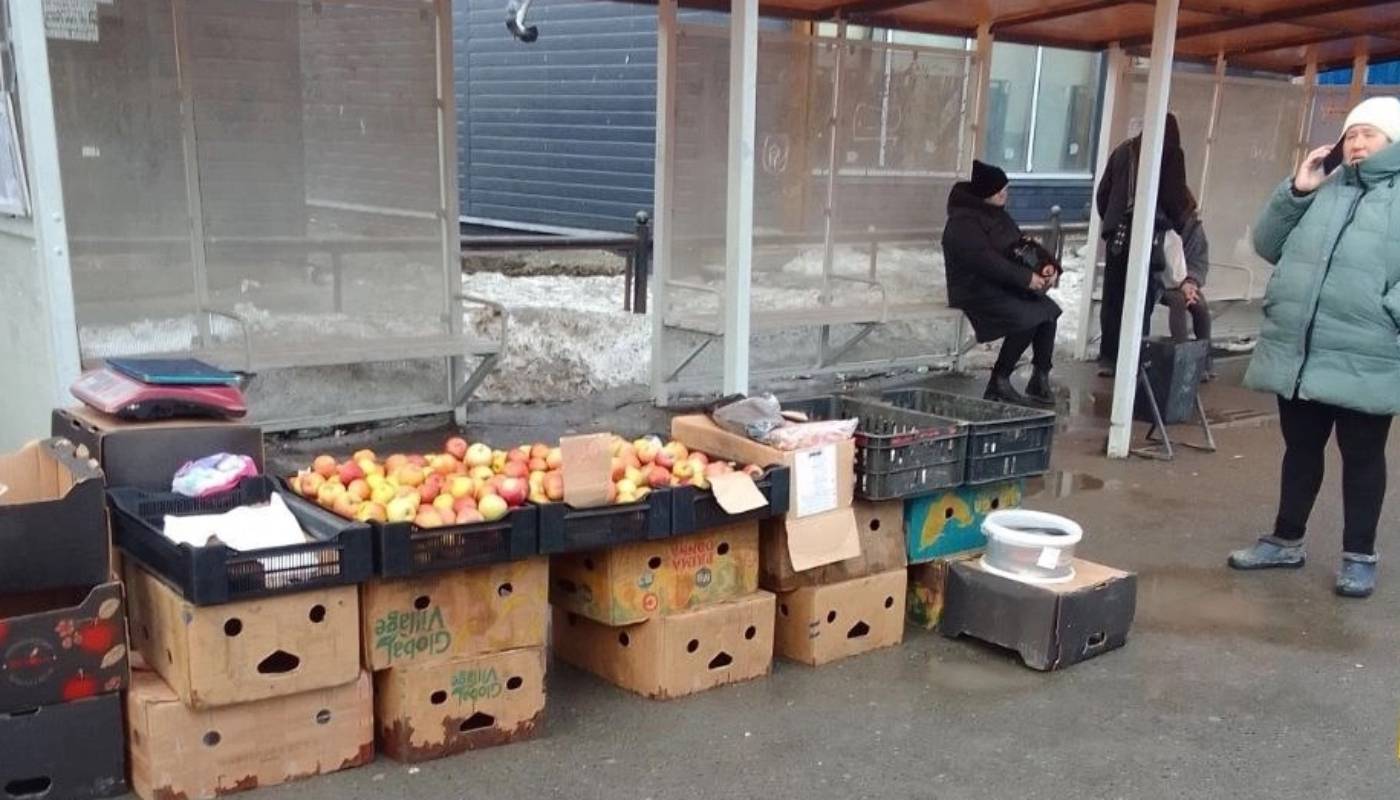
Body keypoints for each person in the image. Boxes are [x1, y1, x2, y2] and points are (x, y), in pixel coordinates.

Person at [1227, 96, 1400, 599]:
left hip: (1366, 350)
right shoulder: (1327, 188)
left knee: (1362, 458)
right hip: (1301, 350)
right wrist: (1297, 191)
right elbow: (1267, 244)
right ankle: (1285, 541)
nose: (1358, 143)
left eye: (1370, 134)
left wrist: (1387, 312)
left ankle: (1359, 557)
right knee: (1301, 450)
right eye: (1352, 134)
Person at [942, 160, 1062, 406]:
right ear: (985, 193)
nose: (1005, 195)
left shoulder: (997, 214)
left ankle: (1040, 377)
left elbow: (1020, 247)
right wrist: (1026, 279)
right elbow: (985, 261)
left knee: (1048, 312)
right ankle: (999, 380)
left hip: (1002, 285)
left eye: (1006, 189)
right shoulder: (963, 222)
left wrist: (1047, 266)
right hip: (974, 288)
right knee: (1027, 318)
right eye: (1000, 191)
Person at [1094, 112, 1192, 376]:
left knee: (1114, 296)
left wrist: (1112, 220)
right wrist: (1177, 223)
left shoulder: (1122, 150)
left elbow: (1103, 194)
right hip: (1149, 234)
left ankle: (1108, 357)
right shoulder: (1170, 152)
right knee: (1142, 297)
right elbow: (1174, 196)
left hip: (1118, 234)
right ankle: (1134, 356)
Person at [1158, 197, 1215, 380]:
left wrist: (1190, 282)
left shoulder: (1195, 229)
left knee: (1200, 305)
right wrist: (1181, 284)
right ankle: (1182, 360)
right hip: (1160, 282)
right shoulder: (1159, 226)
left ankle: (1204, 362)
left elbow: (1199, 261)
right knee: (1178, 302)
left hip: (1186, 281)